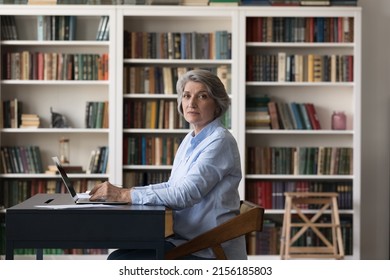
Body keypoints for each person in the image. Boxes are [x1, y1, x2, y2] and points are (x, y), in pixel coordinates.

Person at [89, 68, 245, 260]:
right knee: (120, 254)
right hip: (187, 241)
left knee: (119, 261)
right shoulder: (191, 138)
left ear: (217, 105)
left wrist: (124, 194)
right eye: (187, 96)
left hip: (209, 249)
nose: (191, 103)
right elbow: (172, 186)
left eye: (202, 96)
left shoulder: (220, 141)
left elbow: (184, 195)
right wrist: (127, 192)